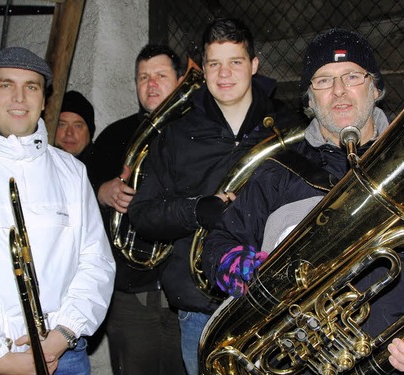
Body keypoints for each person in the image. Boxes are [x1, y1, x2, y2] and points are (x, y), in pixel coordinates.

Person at [202, 28, 404, 374]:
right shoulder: (278, 172)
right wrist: (253, 274)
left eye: (352, 76)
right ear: (309, 98)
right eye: (323, 81)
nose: (339, 91)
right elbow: (218, 244)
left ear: (375, 87)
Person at [128, 18, 298, 375]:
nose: (224, 73)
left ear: (254, 64)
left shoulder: (289, 123)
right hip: (201, 310)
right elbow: (142, 214)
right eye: (214, 63)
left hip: (278, 306)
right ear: (202, 69)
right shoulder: (175, 133)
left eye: (235, 61)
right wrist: (195, 211)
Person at [0, 47, 115, 374]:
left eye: (31, 87)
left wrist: (62, 335)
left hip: (65, 356)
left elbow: (97, 261)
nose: (20, 97)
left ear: (44, 100)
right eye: (7, 85)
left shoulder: (71, 172)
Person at [87, 44, 186, 374]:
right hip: (131, 296)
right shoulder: (115, 135)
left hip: (187, 294)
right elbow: (80, 189)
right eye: (143, 77)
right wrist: (102, 190)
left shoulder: (201, 132)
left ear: (181, 79)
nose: (151, 84)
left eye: (161, 75)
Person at [55, 90, 96, 166]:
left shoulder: (105, 169)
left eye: (78, 126)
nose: (69, 133)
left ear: (90, 132)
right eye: (62, 125)